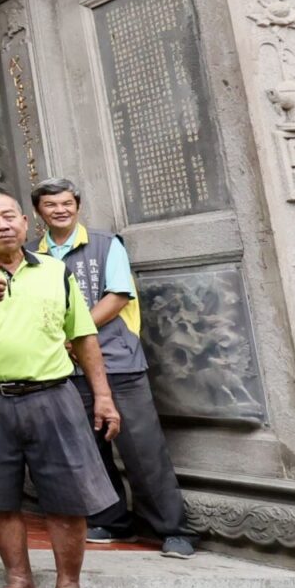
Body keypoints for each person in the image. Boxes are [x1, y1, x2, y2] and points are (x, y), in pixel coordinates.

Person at [0, 193, 123, 588]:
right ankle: (20, 587)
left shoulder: (54, 270)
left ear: (27, 223)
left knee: (68, 497)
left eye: (9, 216)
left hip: (53, 395)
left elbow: (83, 335)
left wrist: (102, 396)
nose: (1, 225)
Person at [32, 178, 192, 558]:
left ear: (78, 205)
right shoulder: (32, 256)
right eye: (51, 205)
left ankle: (172, 529)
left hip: (116, 361)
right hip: (64, 368)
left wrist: (78, 331)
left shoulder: (106, 245)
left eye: (67, 203)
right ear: (39, 212)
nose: (60, 210)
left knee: (143, 449)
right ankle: (114, 520)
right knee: (90, 449)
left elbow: (118, 296)